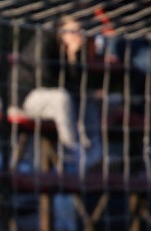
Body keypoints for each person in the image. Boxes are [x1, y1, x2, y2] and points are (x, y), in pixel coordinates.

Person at [12, 14, 103, 173]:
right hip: (24, 99)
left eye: (80, 32)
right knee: (62, 98)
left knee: (86, 97)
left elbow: (79, 85)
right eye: (74, 31)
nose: (78, 36)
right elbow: (44, 80)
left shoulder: (74, 49)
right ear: (62, 29)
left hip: (52, 100)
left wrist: (73, 58)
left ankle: (94, 153)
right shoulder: (44, 41)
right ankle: (73, 154)